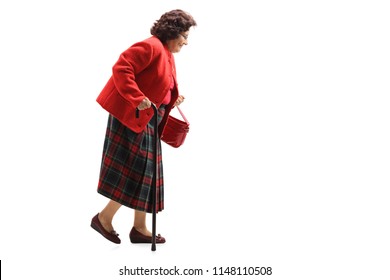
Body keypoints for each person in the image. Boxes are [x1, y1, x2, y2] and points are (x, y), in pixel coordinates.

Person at [91, 9, 197, 244]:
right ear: (174, 32)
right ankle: (103, 218)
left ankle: (139, 228)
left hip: (149, 118)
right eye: (185, 36)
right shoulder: (151, 46)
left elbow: (158, 82)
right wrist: (136, 97)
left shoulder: (167, 53)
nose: (186, 42)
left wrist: (170, 97)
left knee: (147, 173)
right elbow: (122, 68)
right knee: (135, 170)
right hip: (132, 116)